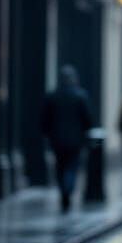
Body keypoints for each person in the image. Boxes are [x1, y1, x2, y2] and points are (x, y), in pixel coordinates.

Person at [41, 65, 93, 212]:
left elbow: (44, 120)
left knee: (60, 167)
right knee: (72, 167)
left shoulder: (52, 96)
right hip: (75, 141)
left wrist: (47, 135)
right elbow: (88, 119)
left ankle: (64, 191)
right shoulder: (81, 96)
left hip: (56, 140)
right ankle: (68, 189)